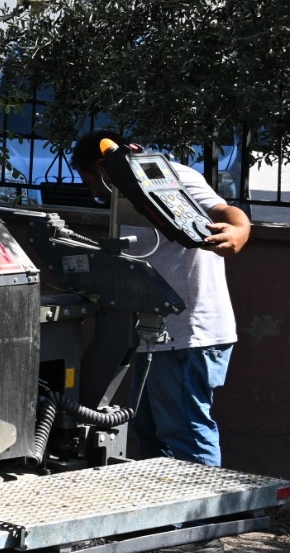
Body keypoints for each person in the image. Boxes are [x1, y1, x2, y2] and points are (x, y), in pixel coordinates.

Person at [75, 136, 248, 465]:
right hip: (151, 335)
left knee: (185, 432)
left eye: (89, 181)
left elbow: (223, 210)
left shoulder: (174, 177)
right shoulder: (124, 196)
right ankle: (170, 510)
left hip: (186, 334)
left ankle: (205, 515)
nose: (93, 193)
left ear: (101, 167)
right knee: (149, 429)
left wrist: (239, 230)